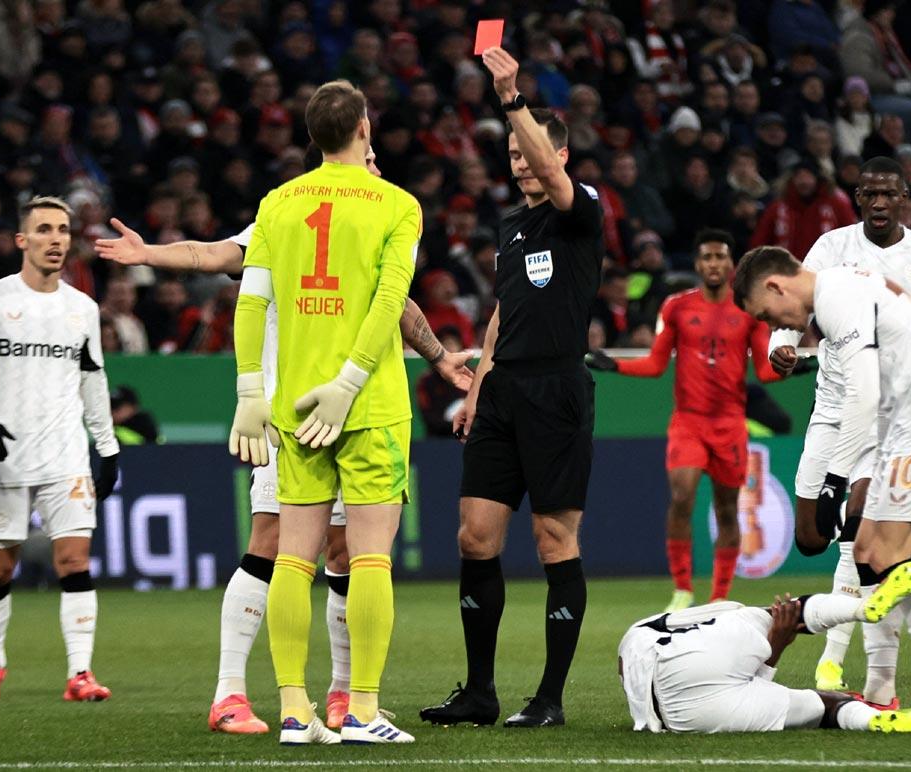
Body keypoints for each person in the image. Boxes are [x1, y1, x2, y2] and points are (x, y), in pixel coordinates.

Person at [96, 143, 470, 736]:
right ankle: (230, 693)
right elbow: (215, 254)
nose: (375, 165)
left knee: (346, 550)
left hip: (356, 413)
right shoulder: (289, 213)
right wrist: (152, 255)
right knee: (273, 541)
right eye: (369, 154)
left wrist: (442, 357)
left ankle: (342, 698)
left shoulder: (372, 214)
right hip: (290, 408)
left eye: (378, 158)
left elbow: (394, 302)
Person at [227, 79, 421, 746]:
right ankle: (363, 711)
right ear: (364, 129)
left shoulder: (277, 204)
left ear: (313, 136)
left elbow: (251, 303)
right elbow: (389, 301)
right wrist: (349, 383)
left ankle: (292, 710)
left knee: (294, 560)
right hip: (367, 406)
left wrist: (250, 393)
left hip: (293, 406)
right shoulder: (397, 205)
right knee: (368, 558)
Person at [419, 46, 604, 730]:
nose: (520, 160)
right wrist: (477, 387)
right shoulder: (510, 227)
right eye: (514, 154)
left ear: (555, 153)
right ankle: (480, 692)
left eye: (531, 151)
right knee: (475, 537)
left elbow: (557, 177)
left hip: (557, 390)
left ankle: (550, 699)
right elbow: (503, 310)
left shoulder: (579, 209)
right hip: (502, 394)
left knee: (555, 539)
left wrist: (510, 98)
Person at [734, 247, 911, 721]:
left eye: (768, 314)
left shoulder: (835, 298)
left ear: (775, 286)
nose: (775, 324)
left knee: (886, 557)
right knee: (867, 555)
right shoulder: (843, 284)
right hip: (906, 425)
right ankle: (880, 689)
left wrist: (833, 481)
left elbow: (863, 393)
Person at [0, 196, 120, 703]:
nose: (56, 239)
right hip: (5, 457)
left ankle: (81, 673)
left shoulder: (82, 309)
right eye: (44, 230)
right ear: (22, 240)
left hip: (66, 453)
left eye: (63, 230)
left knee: (74, 560)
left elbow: (93, 380)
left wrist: (107, 447)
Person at [585, 229, 781, 612]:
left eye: (720, 257)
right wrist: (616, 364)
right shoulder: (676, 306)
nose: (713, 264)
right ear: (697, 263)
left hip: (729, 425)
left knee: (727, 509)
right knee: (682, 496)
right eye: (706, 257)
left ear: (731, 264)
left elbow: (764, 368)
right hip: (688, 423)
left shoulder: (749, 311)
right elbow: (658, 364)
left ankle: (720, 595)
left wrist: (793, 366)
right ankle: (682, 589)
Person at [619, 592, 911, 734]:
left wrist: (774, 649)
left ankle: (875, 720)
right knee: (786, 613)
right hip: (682, 658)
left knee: (826, 707)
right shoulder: (724, 618)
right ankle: (862, 608)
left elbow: (747, 686)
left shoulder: (637, 637)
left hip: (677, 718)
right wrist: (774, 638)